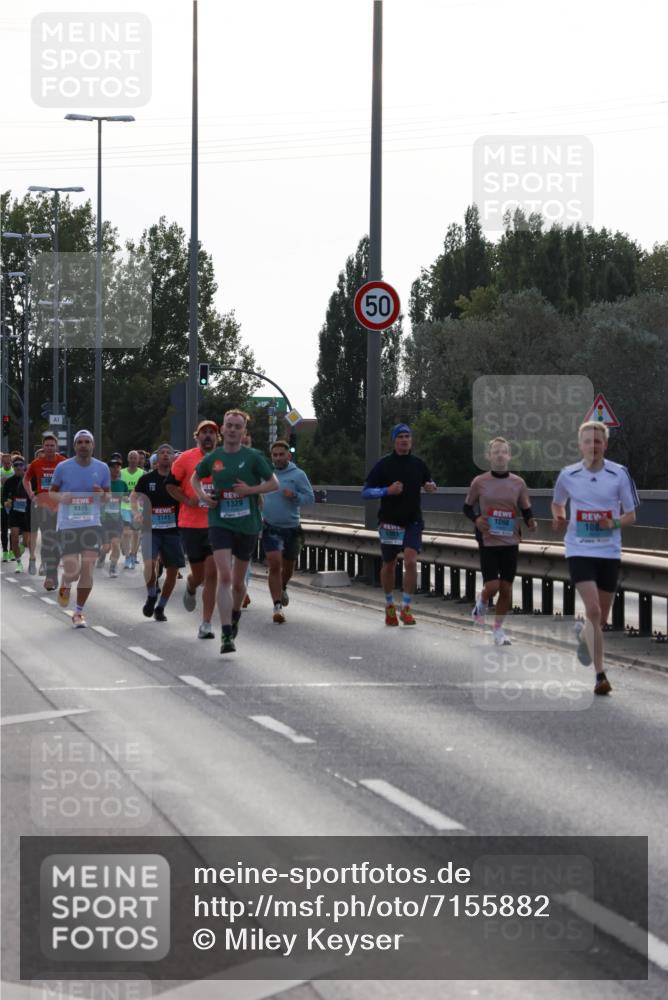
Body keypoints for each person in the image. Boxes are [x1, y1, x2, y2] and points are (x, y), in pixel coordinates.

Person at [551, 420, 638, 696]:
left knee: (600, 619)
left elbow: (630, 514)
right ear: (580, 445)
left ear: (605, 445)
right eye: (588, 441)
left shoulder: (619, 474)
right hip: (579, 550)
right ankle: (600, 675)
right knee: (594, 611)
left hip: (609, 551)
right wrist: (559, 515)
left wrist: (611, 524)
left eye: (598, 441)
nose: (593, 446)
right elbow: (557, 501)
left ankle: (586, 638)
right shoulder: (568, 474)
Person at [191, 409, 278, 654]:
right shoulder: (214, 457)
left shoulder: (253, 457)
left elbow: (274, 484)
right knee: (225, 577)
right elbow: (195, 479)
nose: (232, 430)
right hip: (220, 523)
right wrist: (204, 498)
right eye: (228, 425)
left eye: (237, 427)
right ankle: (226, 634)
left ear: (243, 432)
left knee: (239, 583)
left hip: (247, 525)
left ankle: (235, 614)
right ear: (223, 429)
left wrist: (250, 490)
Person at [361, 423, 437, 626]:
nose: (404, 440)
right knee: (389, 564)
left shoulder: (418, 464)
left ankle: (406, 607)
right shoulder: (384, 465)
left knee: (411, 561)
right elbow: (366, 491)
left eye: (407, 436)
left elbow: (430, 482)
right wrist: (387, 491)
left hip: (412, 520)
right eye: (400, 437)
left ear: (411, 440)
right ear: (394, 441)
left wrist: (431, 486)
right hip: (390, 522)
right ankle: (389, 605)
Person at [464, 437, 537, 645]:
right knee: (493, 585)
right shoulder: (480, 482)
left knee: (506, 588)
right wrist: (476, 519)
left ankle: (498, 630)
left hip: (510, 540)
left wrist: (531, 521)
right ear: (489, 456)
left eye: (503, 451)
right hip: (488, 539)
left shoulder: (518, 483)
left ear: (509, 456)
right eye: (495, 452)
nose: (499, 455)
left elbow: (526, 508)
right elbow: (467, 507)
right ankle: (483, 598)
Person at [49, 429, 110, 629]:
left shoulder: (102, 468)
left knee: (87, 569)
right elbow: (51, 492)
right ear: (74, 446)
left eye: (87, 442)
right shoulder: (62, 467)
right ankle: (66, 584)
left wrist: (102, 494)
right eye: (80, 442)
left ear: (92, 445)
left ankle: (78, 612)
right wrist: (61, 498)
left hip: (92, 524)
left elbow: (107, 497)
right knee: (72, 571)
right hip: (68, 524)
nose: (83, 445)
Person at [166, 419, 220, 639]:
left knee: (212, 573)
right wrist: (188, 500)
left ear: (218, 437)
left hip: (217, 524)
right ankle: (190, 585)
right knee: (198, 575)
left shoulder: (226, 458)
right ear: (196, 436)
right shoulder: (185, 459)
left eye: (212, 433)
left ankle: (206, 623)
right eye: (204, 432)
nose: (208, 436)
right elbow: (170, 485)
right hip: (190, 524)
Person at [261, 439, 314, 623]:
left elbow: (310, 498)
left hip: (292, 529)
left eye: (281, 454)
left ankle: (282, 586)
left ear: (288, 456)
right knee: (274, 564)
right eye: (274, 455)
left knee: (288, 568)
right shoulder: (266, 474)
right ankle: (277, 606)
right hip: (270, 527)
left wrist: (295, 496)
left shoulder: (298, 475)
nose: (278, 458)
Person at [134, 443, 184, 622]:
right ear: (156, 458)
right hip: (151, 530)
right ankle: (151, 594)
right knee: (149, 564)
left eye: (168, 453)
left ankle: (161, 607)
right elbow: (134, 496)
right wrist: (136, 512)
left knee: (172, 572)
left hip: (173, 530)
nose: (165, 455)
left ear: (173, 457)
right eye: (161, 453)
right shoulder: (147, 479)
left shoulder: (179, 479)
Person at [23, 431, 67, 589]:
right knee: (49, 540)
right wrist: (31, 495)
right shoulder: (36, 463)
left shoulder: (63, 462)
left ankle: (52, 572)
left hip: (61, 508)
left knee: (59, 542)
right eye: (47, 446)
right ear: (43, 447)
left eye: (52, 446)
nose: (49, 448)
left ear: (56, 447)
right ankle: (50, 576)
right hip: (43, 507)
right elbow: (26, 479)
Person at [97, 457, 129, 576]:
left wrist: (126, 498)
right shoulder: (103, 483)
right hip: (103, 519)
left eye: (118, 467)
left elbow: (127, 497)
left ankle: (113, 568)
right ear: (108, 469)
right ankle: (101, 556)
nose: (116, 469)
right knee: (106, 547)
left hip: (117, 519)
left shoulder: (122, 484)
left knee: (115, 544)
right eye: (113, 467)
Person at [2, 456, 32, 572]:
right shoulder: (9, 481)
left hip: (27, 513)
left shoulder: (29, 480)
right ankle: (18, 563)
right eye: (16, 465)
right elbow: (4, 496)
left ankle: (22, 546)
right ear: (13, 467)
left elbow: (35, 493)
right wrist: (6, 502)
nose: (18, 467)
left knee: (26, 542)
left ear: (24, 466)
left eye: (20, 465)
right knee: (14, 537)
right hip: (14, 513)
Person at [120, 450, 144, 569]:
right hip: (124, 507)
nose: (133, 460)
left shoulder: (142, 473)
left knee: (136, 533)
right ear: (128, 459)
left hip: (138, 508)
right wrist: (122, 496)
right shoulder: (121, 472)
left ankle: (134, 555)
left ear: (138, 459)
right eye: (131, 458)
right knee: (126, 533)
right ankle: (127, 557)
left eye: (135, 458)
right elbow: (116, 488)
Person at [1, 452, 14, 563]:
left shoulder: (14, 472)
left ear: (11, 462)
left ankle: (12, 551)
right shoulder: (0, 472)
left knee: (13, 530)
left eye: (8, 462)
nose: (6, 464)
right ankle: (5, 552)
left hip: (14, 506)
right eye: (4, 462)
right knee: (4, 530)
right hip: (1, 506)